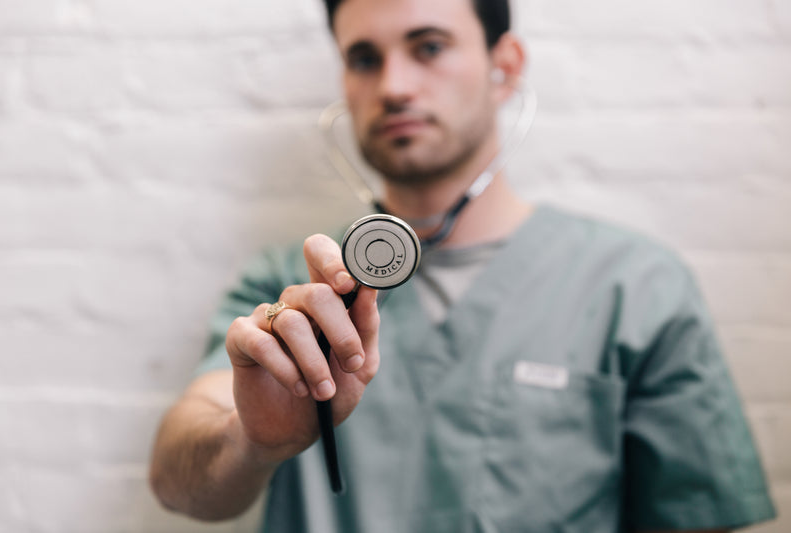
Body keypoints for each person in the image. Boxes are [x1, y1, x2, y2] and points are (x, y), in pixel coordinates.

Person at [149, 0, 777, 531]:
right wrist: (253, 442)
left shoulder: (637, 288)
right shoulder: (286, 290)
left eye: (428, 47)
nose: (393, 85)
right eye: (364, 58)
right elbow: (179, 482)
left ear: (504, 69)